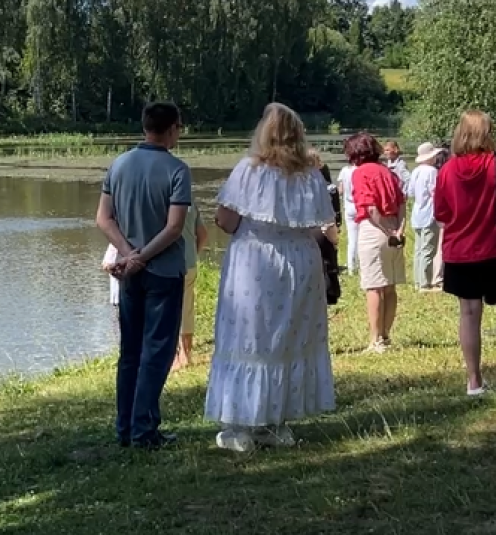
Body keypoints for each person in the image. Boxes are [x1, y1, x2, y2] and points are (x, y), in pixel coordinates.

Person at [205, 103, 338, 452]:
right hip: (299, 262)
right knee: (287, 340)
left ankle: (239, 425)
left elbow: (225, 220)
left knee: (248, 339)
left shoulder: (249, 170)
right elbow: (321, 224)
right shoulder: (310, 175)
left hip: (256, 263)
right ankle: (275, 422)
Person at [96, 102, 193, 449]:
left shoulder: (119, 164)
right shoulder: (177, 170)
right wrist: (143, 257)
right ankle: (144, 429)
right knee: (157, 352)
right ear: (172, 129)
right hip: (163, 272)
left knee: (130, 352)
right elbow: (174, 227)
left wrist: (128, 254)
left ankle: (125, 427)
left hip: (129, 273)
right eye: (179, 127)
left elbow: (103, 219)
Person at [433, 110, 496, 395]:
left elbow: (441, 213)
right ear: (487, 134)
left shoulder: (447, 170)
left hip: (459, 252)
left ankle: (474, 381)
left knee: (469, 314)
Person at [345, 131, 406, 352]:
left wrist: (386, 231)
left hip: (374, 229)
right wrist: (399, 229)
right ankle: (386, 335)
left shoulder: (360, 173)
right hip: (394, 227)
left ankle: (375, 340)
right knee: (389, 286)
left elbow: (370, 208)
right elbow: (402, 202)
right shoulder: (387, 171)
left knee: (373, 287)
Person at [173, 211, 210, 370]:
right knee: (187, 309)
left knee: (169, 310)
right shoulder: (190, 202)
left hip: (168, 264)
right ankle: (186, 354)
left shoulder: (163, 201)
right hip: (189, 263)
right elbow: (203, 234)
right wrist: (194, 253)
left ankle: (174, 356)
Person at [408, 142, 443, 292]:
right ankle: (425, 283)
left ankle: (418, 280)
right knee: (428, 249)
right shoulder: (432, 171)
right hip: (430, 213)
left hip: (417, 213)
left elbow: (410, 192)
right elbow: (435, 192)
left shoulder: (415, 171)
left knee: (418, 249)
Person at [336, 155, 361, 275]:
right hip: (359, 206)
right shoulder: (360, 170)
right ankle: (361, 264)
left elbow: (340, 190)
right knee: (361, 237)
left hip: (348, 206)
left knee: (352, 238)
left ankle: (351, 267)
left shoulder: (344, 170)